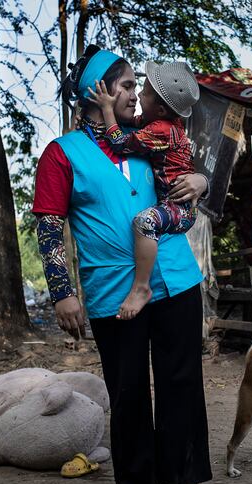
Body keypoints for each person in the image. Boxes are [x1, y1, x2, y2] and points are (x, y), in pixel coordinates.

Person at [32, 44, 212, 484]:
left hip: (174, 278)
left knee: (181, 378)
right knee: (127, 384)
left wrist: (202, 181)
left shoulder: (146, 136)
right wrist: (62, 291)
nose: (136, 94)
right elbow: (49, 226)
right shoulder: (61, 154)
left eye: (136, 85)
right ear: (100, 91)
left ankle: (186, 480)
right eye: (128, 85)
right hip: (113, 290)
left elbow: (186, 165)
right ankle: (132, 481)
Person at [87, 61, 200, 320]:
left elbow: (119, 142)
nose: (138, 95)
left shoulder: (160, 129)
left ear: (160, 109)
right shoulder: (155, 122)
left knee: (144, 222)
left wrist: (106, 108)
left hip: (180, 210)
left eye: (144, 92)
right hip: (174, 205)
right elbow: (134, 123)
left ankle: (141, 287)